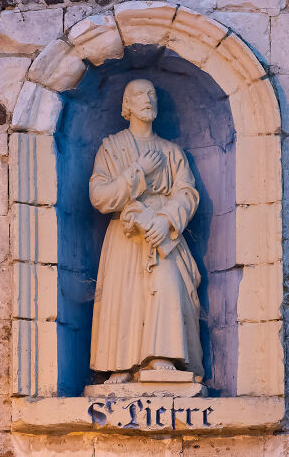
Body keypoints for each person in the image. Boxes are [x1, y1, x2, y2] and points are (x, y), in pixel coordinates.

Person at [88, 79, 203, 384]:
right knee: (124, 294)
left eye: (152, 93)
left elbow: (187, 193)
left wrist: (166, 220)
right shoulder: (111, 148)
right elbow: (100, 196)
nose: (147, 99)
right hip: (126, 233)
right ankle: (121, 365)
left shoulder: (171, 151)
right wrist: (136, 171)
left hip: (163, 233)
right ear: (126, 106)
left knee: (166, 285)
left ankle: (162, 356)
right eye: (139, 94)